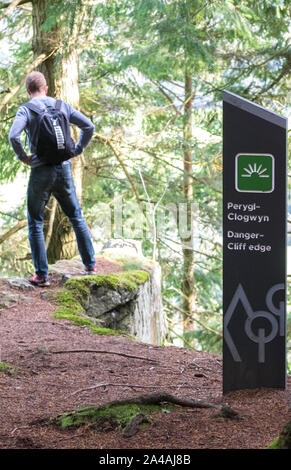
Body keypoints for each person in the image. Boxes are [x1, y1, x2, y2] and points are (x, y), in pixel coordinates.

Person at [9, 70, 97, 287]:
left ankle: (41, 275)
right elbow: (89, 126)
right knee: (76, 216)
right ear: (45, 88)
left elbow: (13, 136)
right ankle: (90, 265)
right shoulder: (61, 105)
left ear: (28, 91)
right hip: (64, 169)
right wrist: (77, 149)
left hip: (41, 171)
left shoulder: (25, 110)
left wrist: (23, 158)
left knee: (35, 222)